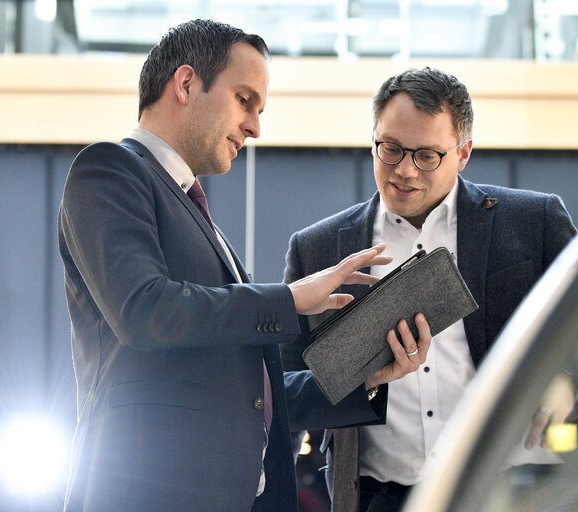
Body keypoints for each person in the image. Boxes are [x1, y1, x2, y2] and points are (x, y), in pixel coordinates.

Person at [57, 20, 432, 512]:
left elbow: (256, 398)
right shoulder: (109, 170)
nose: (255, 126)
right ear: (186, 83)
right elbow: (145, 310)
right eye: (244, 100)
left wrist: (366, 374)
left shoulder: (198, 215)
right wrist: (293, 298)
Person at [280, 67, 578, 512]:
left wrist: (571, 383)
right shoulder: (318, 249)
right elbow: (283, 390)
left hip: (535, 491)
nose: (404, 170)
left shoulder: (532, 221)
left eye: (427, 156)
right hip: (386, 498)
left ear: (463, 153)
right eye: (391, 149)